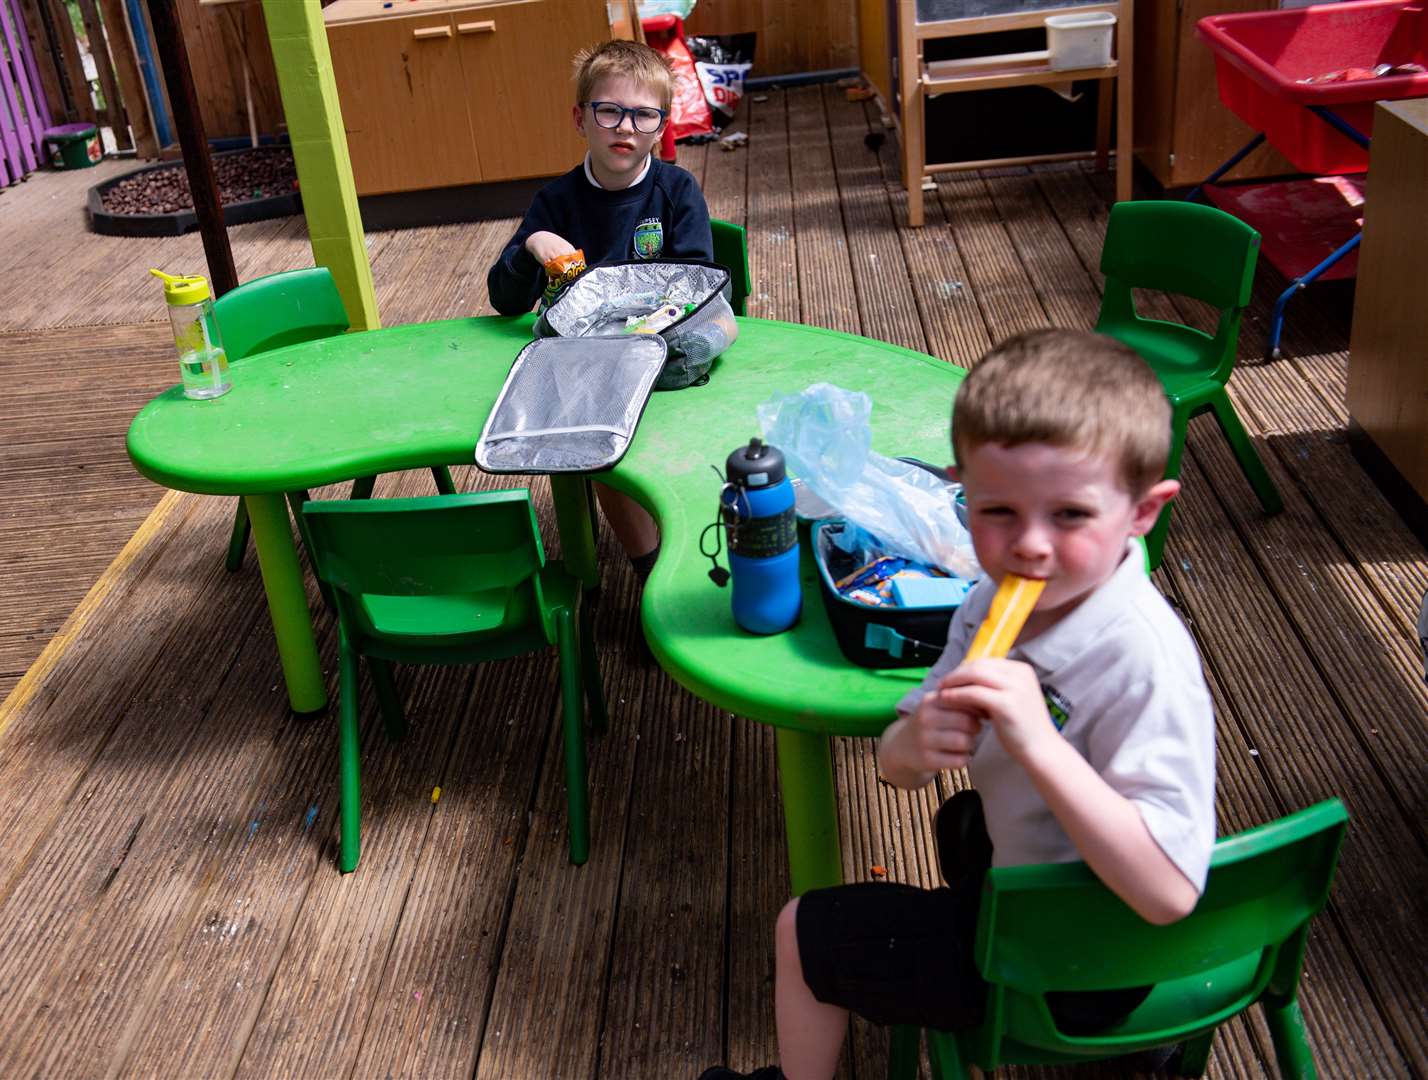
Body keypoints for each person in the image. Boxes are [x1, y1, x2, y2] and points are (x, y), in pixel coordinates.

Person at [700, 329, 1217, 1080]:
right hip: (1039, 879)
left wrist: (1038, 743)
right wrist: (914, 743)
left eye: (1070, 515)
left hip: (1092, 956)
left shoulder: (1142, 662)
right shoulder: (986, 603)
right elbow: (899, 764)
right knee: (960, 824)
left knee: (803, 929)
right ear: (957, 491)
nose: (1030, 546)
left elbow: (1169, 893)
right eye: (997, 511)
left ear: (1143, 513)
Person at [487, 39, 713, 579]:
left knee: (660, 450)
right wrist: (533, 244)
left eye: (643, 115)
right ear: (580, 118)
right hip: (583, 371)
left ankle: (680, 546)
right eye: (609, 110)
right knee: (599, 450)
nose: (625, 128)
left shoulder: (676, 191)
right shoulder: (557, 202)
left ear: (661, 127)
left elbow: (698, 286)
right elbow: (504, 301)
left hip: (665, 362)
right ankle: (653, 572)